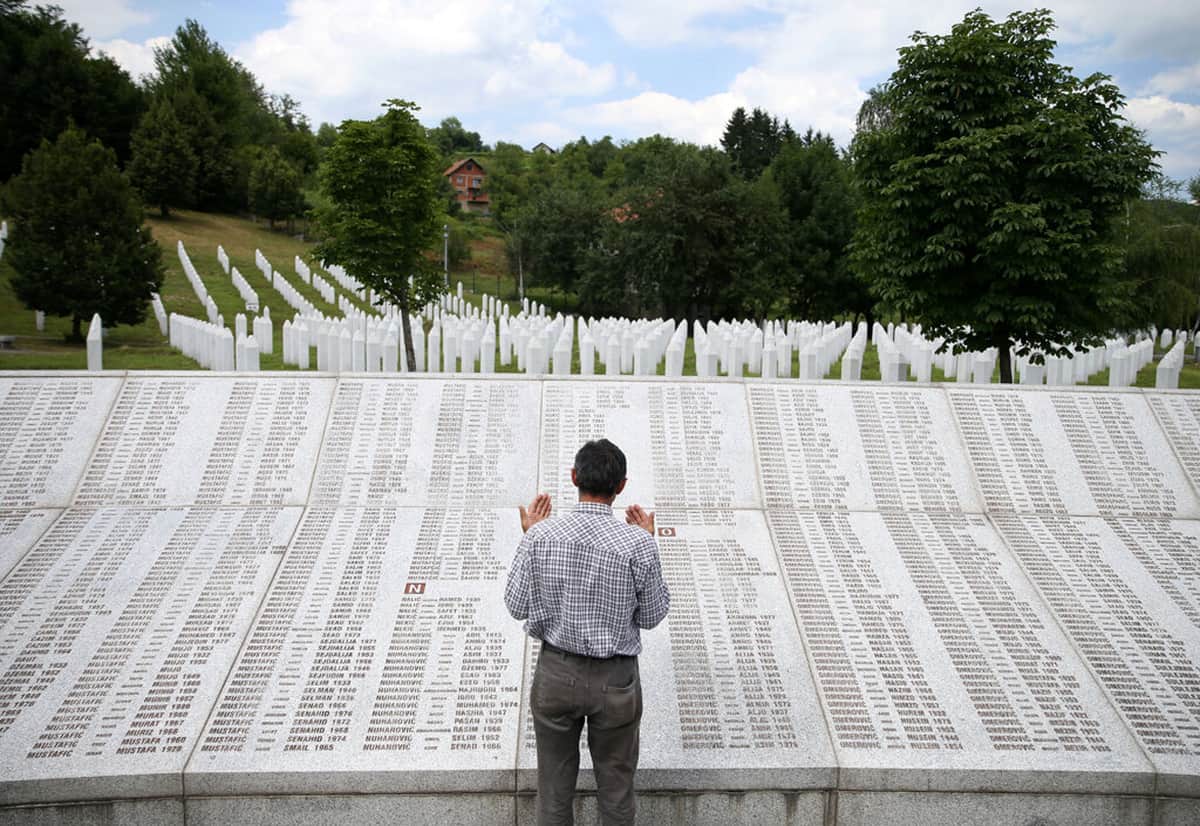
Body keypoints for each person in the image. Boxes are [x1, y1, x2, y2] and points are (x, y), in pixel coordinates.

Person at [505, 438, 670, 826]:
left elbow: (515, 606)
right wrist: (648, 540)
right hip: (616, 680)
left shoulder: (540, 536)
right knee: (615, 790)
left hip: (556, 675)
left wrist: (529, 535)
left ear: (574, 477)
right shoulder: (638, 544)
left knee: (554, 790)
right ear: (621, 486)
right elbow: (651, 616)